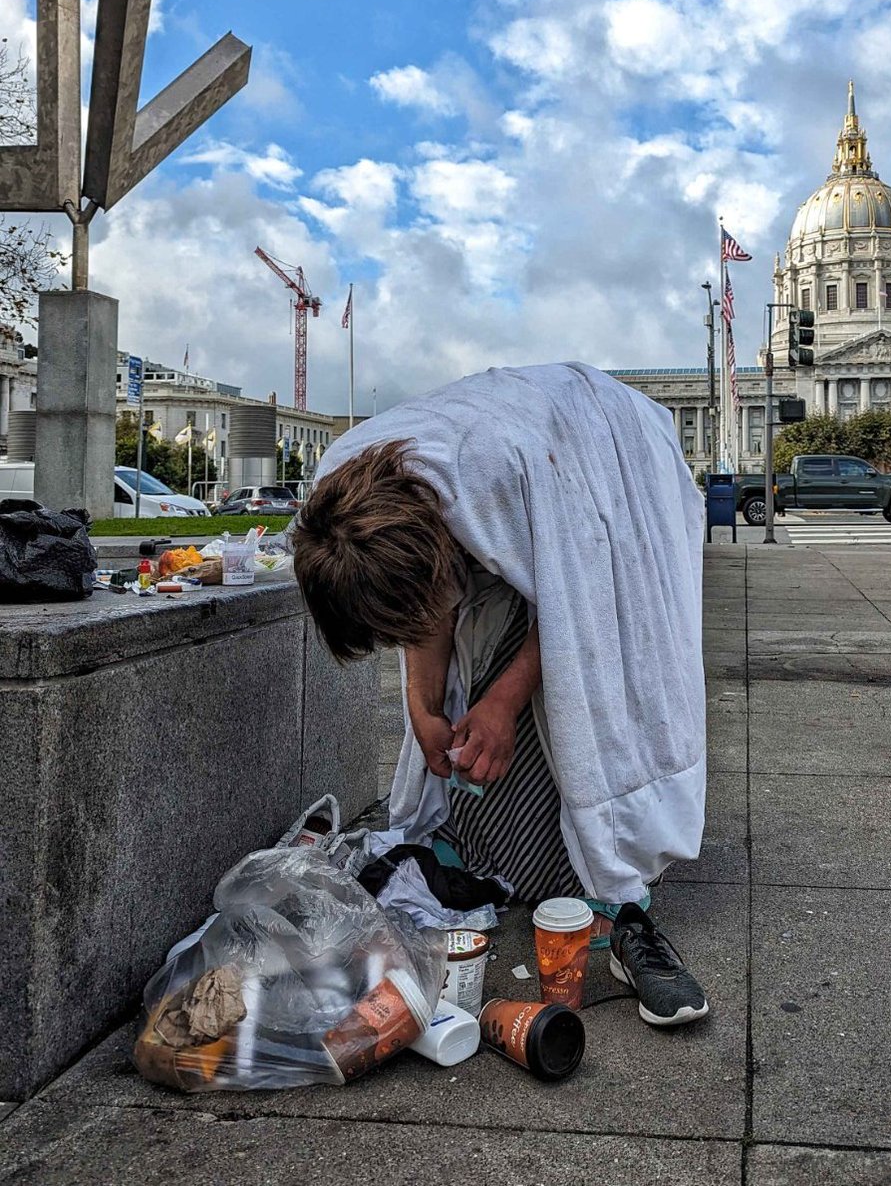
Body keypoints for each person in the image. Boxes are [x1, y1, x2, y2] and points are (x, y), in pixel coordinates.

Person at [292, 363, 709, 1027]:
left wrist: (504, 703)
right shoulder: (336, 498)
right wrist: (424, 708)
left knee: (566, 705)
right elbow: (423, 608)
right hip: (520, 475)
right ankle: (488, 851)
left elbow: (586, 597)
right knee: (480, 690)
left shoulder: (500, 474)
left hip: (602, 457)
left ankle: (617, 900)